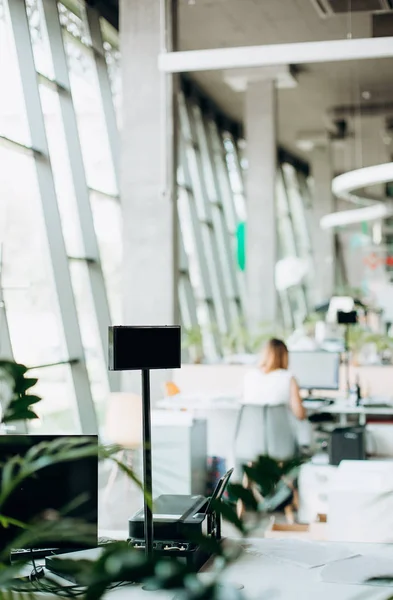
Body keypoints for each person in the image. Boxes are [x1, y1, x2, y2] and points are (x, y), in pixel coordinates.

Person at [234, 338, 307, 518]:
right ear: (284, 356)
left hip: (250, 448)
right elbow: (300, 414)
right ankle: (292, 506)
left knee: (252, 465)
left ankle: (241, 510)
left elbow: (241, 401)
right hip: (280, 449)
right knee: (297, 457)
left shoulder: (249, 376)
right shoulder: (288, 378)